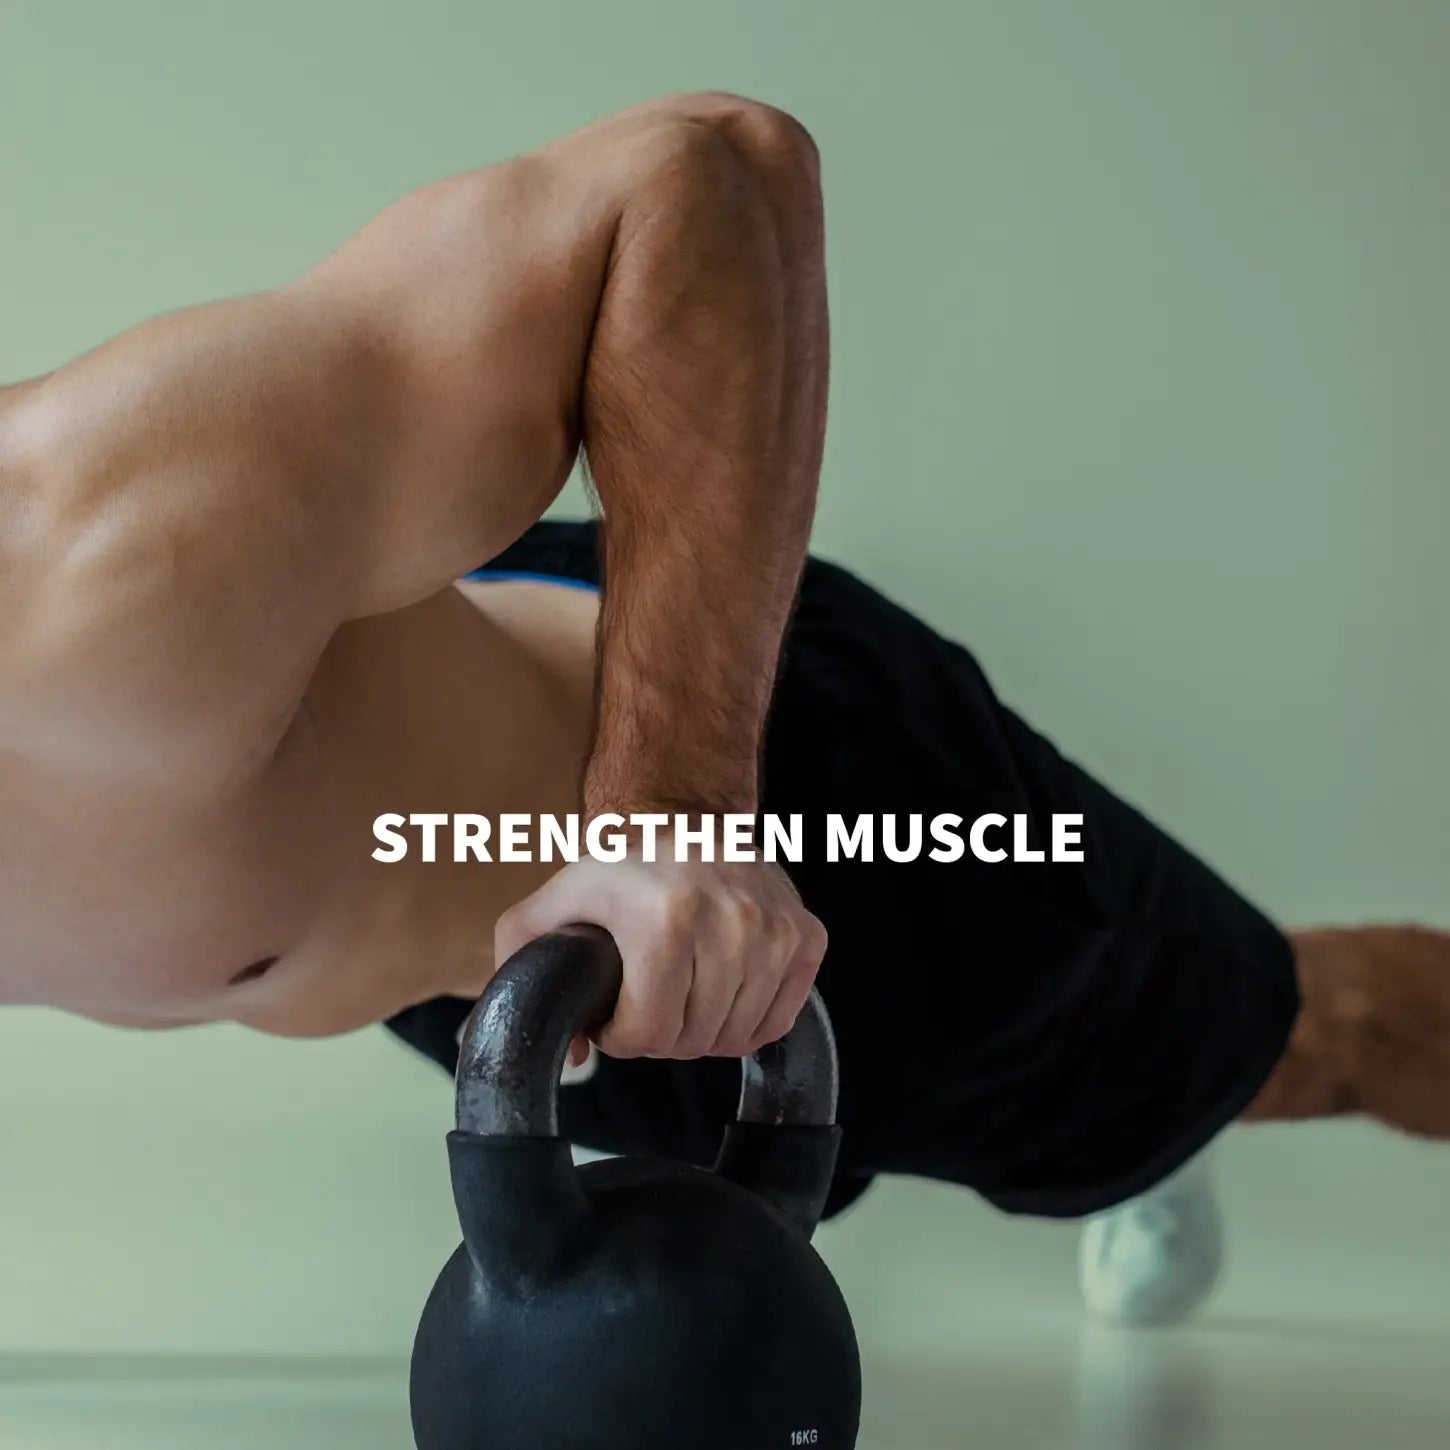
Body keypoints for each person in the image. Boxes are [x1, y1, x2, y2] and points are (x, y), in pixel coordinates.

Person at [1, 92, 1444, 1324]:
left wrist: (670, 822)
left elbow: (703, 172)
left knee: (1303, 1037)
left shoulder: (92, 562)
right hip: (490, 984)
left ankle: (1166, 1100)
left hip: (783, 793)